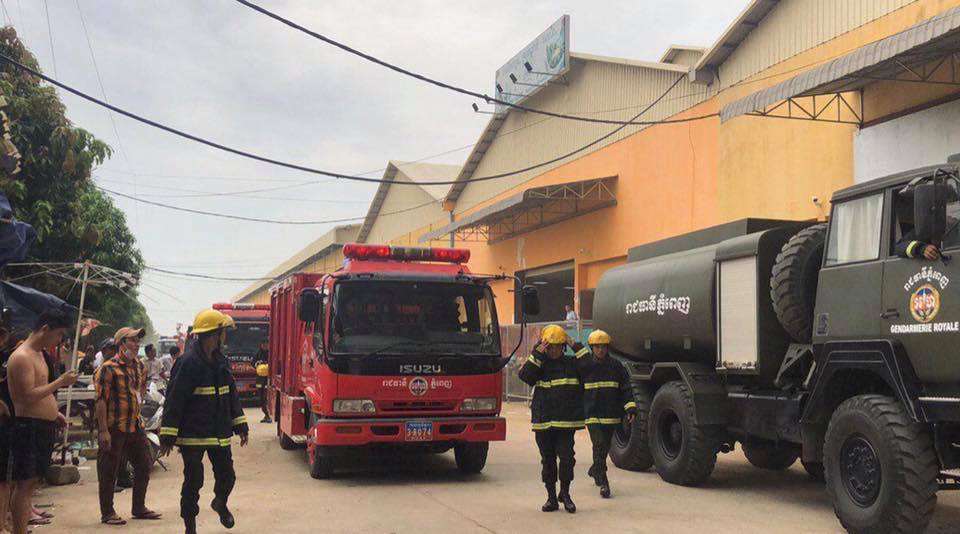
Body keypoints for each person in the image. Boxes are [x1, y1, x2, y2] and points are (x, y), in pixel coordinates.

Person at [160, 309, 249, 534]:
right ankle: (190, 527)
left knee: (227, 476)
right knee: (193, 482)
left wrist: (240, 424)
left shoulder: (221, 361)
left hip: (218, 433)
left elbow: (231, 395)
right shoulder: (188, 362)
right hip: (193, 434)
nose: (225, 337)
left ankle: (220, 503)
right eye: (223, 332)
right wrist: (168, 435)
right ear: (213, 334)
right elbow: (175, 399)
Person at [5, 309, 78, 534]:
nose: (59, 341)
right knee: (25, 484)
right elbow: (25, 396)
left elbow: (39, 392)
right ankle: (19, 529)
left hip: (41, 424)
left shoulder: (39, 354)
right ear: (45, 329)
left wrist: (53, 413)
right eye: (58, 335)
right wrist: (61, 382)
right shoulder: (21, 357)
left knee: (32, 483)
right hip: (28, 427)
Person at [94, 326, 160, 526]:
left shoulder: (140, 366)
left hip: (134, 424)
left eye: (137, 340)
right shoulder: (108, 368)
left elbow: (140, 389)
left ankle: (138, 508)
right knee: (108, 470)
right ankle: (108, 513)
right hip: (114, 426)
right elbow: (101, 400)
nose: (136, 343)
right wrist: (103, 430)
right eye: (131, 340)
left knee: (145, 464)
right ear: (121, 343)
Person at [518, 324, 588, 514]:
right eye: (550, 347)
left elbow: (590, 367)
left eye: (557, 346)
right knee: (548, 461)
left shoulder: (572, 364)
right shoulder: (539, 364)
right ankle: (551, 498)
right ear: (545, 346)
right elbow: (524, 376)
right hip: (544, 421)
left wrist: (575, 344)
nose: (554, 350)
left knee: (567, 459)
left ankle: (565, 494)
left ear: (563, 347)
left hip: (565, 422)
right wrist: (537, 353)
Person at [580, 329, 636, 498]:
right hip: (592, 414)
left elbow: (626, 389)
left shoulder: (616, 366)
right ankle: (603, 482)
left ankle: (595, 469)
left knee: (603, 447)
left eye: (603, 346)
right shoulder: (585, 366)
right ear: (591, 348)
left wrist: (630, 408)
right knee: (598, 444)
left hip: (610, 414)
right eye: (597, 347)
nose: (600, 350)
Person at [252, 340, 271, 423]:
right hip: (260, 380)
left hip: (269, 379)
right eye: (264, 344)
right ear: (261, 345)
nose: (265, 346)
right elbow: (253, 363)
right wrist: (259, 363)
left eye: (267, 344)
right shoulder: (258, 353)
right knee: (261, 399)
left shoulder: (271, 353)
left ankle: (269, 415)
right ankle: (266, 415)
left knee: (267, 398)